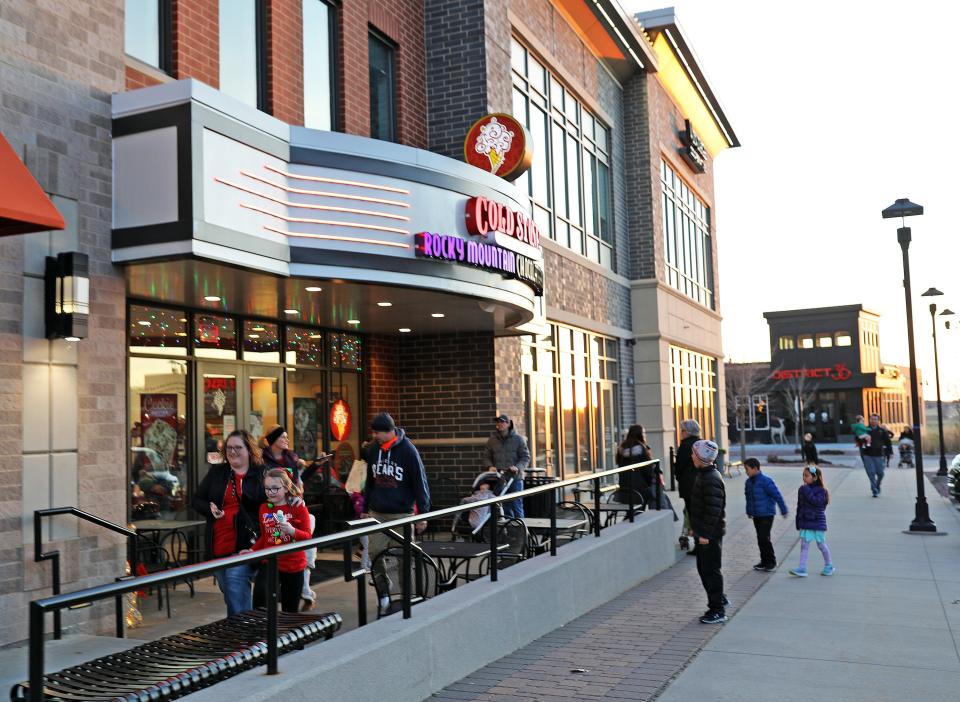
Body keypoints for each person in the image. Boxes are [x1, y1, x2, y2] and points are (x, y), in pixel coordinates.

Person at [192, 429, 268, 616]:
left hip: (246, 543)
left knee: (235, 579)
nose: (233, 451)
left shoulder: (261, 473)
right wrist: (208, 507)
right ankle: (250, 623)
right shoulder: (218, 472)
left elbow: (280, 494)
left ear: (249, 449)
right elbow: (196, 500)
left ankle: (243, 634)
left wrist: (294, 500)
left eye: (238, 447)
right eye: (229, 448)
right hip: (218, 543)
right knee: (232, 592)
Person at [361, 412, 431, 615]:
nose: (375, 436)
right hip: (377, 513)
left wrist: (423, 514)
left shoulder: (408, 450)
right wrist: (366, 508)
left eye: (377, 432)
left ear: (389, 431)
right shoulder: (374, 450)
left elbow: (420, 481)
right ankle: (383, 592)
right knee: (374, 554)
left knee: (403, 558)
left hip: (402, 513)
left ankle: (407, 597)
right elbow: (370, 482)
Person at [260, 424, 334, 610]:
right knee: (281, 553)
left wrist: (316, 465)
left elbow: (297, 481)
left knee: (304, 550)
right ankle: (300, 593)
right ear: (273, 441)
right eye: (283, 437)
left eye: (287, 436)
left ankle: (304, 591)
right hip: (274, 512)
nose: (287, 440)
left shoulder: (291, 458)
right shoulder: (264, 461)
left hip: (295, 509)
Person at [244, 468, 314, 613]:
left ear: (286, 487)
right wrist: (252, 550)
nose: (270, 492)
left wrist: (292, 531)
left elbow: (308, 537)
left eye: (275, 488)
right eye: (267, 488)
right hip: (270, 561)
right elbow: (265, 537)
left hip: (294, 564)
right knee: (261, 599)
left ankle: (285, 634)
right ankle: (263, 632)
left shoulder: (298, 507)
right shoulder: (264, 508)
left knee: (290, 609)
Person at [689, 439, 727, 624]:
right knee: (704, 569)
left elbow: (713, 510)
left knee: (710, 571)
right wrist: (694, 528)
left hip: (709, 535)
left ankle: (717, 609)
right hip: (704, 533)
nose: (691, 456)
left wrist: (705, 534)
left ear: (700, 457)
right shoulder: (705, 475)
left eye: (693, 453)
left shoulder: (710, 478)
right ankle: (719, 599)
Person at [743, 458, 788, 572]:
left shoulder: (766, 481)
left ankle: (771, 562)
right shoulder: (748, 482)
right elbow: (749, 498)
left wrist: (783, 509)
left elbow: (777, 495)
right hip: (756, 515)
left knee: (764, 538)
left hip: (767, 514)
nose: (746, 472)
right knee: (760, 538)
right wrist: (749, 511)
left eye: (747, 469)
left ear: (755, 468)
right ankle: (764, 561)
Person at [789, 465, 834, 577]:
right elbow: (800, 506)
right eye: (803, 475)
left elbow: (817, 503)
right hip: (806, 522)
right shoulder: (803, 489)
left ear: (815, 477)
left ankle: (829, 565)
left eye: (806, 476)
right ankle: (802, 568)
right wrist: (798, 521)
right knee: (804, 545)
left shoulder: (821, 490)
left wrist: (807, 490)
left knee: (821, 545)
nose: (804, 478)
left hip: (817, 522)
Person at [485, 414, 531, 518]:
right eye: (497, 422)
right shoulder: (492, 441)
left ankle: (521, 531)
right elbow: (486, 457)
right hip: (500, 478)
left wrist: (518, 467)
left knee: (517, 505)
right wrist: (489, 466)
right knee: (503, 506)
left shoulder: (519, 439)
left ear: (508, 424)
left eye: (502, 422)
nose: (499, 424)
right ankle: (507, 531)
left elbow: (525, 457)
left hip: (515, 478)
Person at [674, 419, 701, 552]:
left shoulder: (685, 446)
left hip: (689, 485)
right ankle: (701, 544)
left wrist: (679, 478)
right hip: (701, 484)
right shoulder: (700, 443)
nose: (681, 433)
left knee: (692, 514)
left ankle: (698, 545)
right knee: (700, 514)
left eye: (682, 430)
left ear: (688, 432)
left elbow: (679, 467)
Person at [615, 425, 654, 503]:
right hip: (640, 490)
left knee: (631, 512)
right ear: (640, 435)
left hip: (624, 489)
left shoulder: (622, 449)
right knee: (639, 513)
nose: (645, 435)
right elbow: (648, 471)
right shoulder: (642, 450)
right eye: (644, 433)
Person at [860, 413, 892, 497]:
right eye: (871, 419)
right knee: (871, 473)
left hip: (879, 455)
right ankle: (874, 491)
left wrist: (890, 452)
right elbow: (858, 440)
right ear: (869, 420)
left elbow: (888, 442)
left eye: (875, 419)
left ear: (878, 421)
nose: (873, 420)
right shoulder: (865, 430)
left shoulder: (882, 431)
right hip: (868, 455)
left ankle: (877, 485)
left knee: (881, 473)